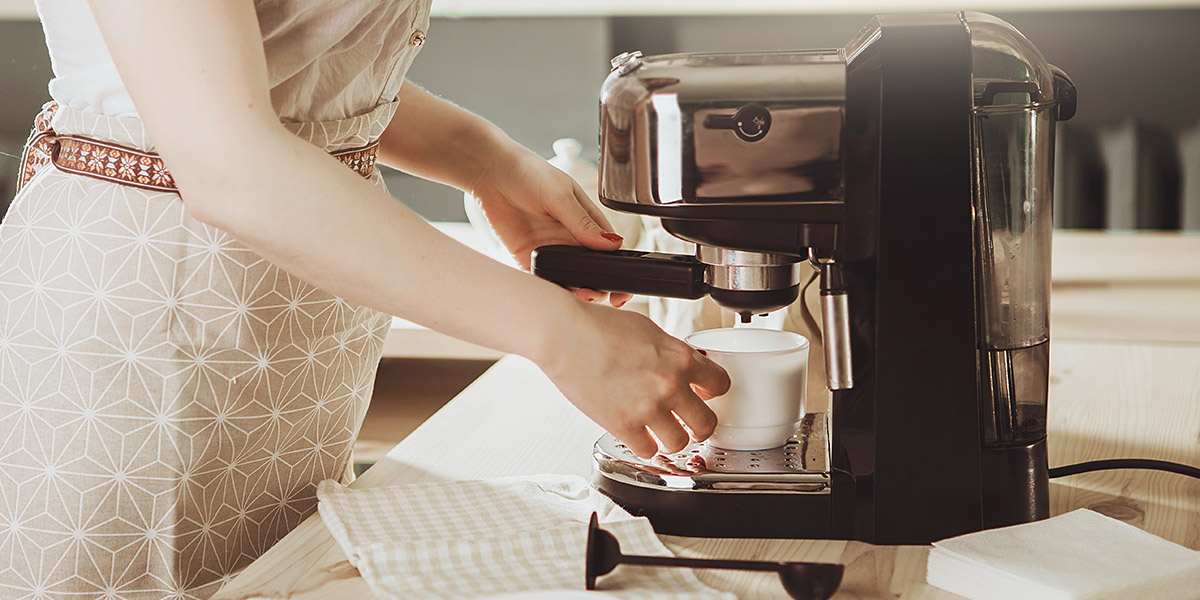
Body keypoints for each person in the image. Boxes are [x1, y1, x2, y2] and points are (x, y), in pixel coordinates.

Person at [0, 1, 730, 597]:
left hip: (294, 315)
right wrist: (560, 335)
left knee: (281, 572)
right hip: (142, 319)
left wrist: (485, 159)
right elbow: (227, 164)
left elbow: (285, 57)